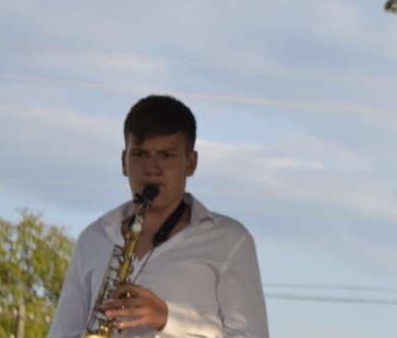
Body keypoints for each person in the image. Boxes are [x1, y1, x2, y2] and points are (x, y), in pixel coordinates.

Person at [48, 95, 270, 338]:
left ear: (190, 163)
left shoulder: (230, 241)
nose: (151, 168)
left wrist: (168, 319)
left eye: (166, 155)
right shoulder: (93, 239)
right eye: (140, 154)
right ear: (124, 162)